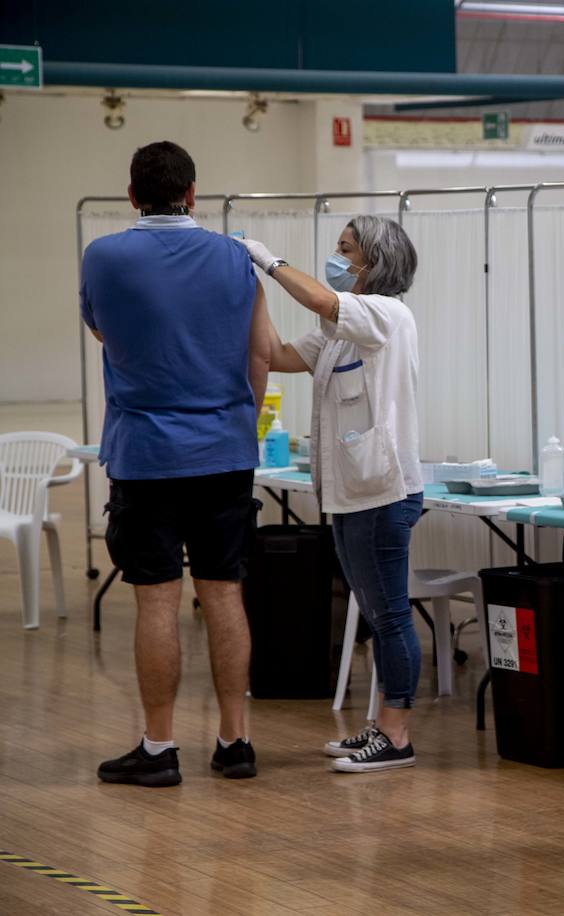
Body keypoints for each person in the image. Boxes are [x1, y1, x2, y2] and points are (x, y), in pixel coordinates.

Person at [84, 141, 270, 787]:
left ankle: (160, 748)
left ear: (132, 195)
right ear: (193, 193)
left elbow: (105, 333)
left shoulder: (103, 256)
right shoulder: (235, 256)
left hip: (146, 451)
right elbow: (259, 355)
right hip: (225, 448)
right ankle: (234, 740)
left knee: (157, 603)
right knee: (223, 593)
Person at [236, 216, 423, 774]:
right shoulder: (343, 328)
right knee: (373, 609)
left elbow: (322, 299)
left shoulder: (384, 314)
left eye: (346, 250)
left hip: (384, 492)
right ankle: (383, 727)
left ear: (375, 261)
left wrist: (270, 260)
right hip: (350, 492)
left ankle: (397, 735)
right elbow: (278, 353)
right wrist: (254, 288)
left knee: (390, 615)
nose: (336, 258)